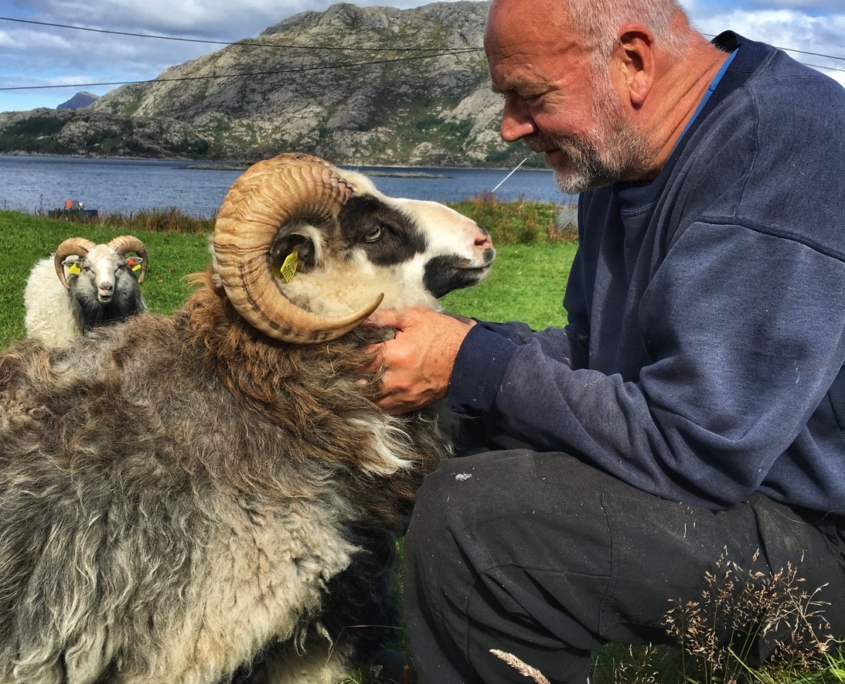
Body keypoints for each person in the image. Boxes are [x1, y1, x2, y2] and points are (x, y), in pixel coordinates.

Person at [367, 0, 845, 681]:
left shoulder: (779, 158)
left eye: (528, 97)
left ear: (632, 62)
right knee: (444, 425)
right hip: (738, 491)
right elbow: (598, 358)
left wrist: (476, 363)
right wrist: (460, 351)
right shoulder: (620, 156)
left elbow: (698, 448)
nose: (507, 129)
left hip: (817, 538)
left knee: (477, 517)